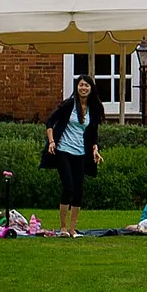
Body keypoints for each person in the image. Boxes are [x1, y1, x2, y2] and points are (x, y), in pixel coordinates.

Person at [40, 76, 102, 237]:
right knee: (68, 187)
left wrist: (95, 149)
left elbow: (93, 132)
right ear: (77, 87)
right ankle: (62, 228)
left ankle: (72, 229)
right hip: (63, 150)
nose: (83, 88)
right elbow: (50, 122)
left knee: (79, 190)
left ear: (91, 88)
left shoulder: (93, 109)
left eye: (86, 85)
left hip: (81, 153)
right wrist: (52, 142)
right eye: (81, 85)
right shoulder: (69, 105)